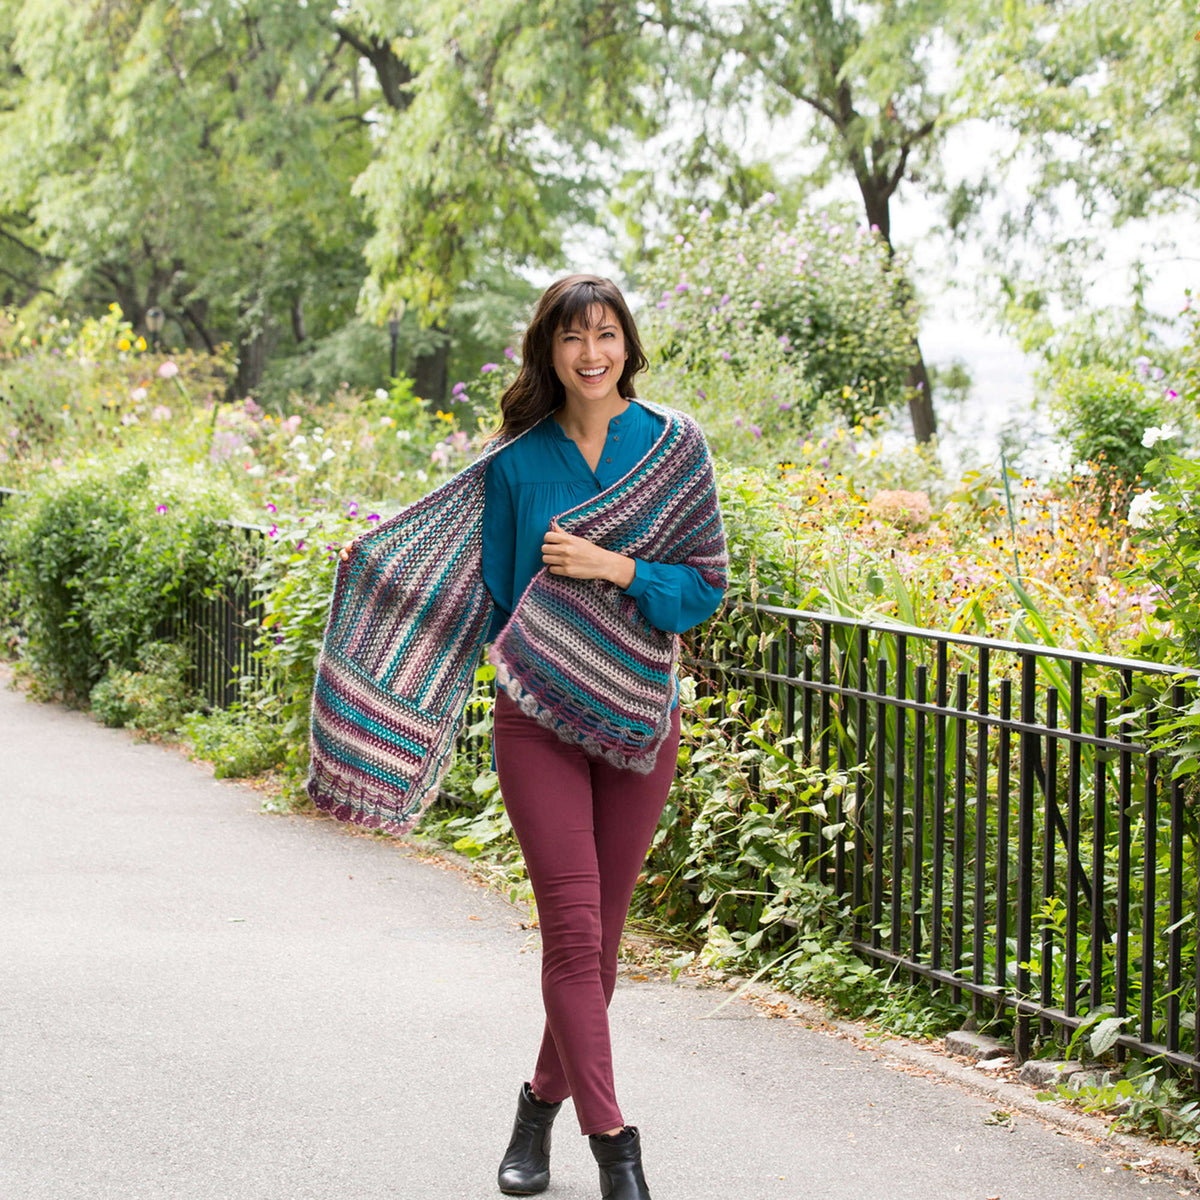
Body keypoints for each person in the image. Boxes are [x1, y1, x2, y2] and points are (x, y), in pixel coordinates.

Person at [319, 275, 726, 1200]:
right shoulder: (514, 465)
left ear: (628, 344)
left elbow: (703, 585)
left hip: (639, 720)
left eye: (607, 334)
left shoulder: (675, 448)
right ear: (548, 351)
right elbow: (495, 603)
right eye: (573, 337)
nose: (592, 353)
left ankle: (534, 1111)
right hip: (535, 722)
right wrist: (378, 570)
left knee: (603, 944)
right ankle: (618, 1150)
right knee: (574, 938)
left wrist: (611, 566)